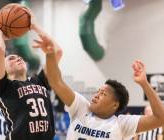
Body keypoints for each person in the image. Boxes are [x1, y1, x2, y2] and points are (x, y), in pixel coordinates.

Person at [34, 35, 164, 140]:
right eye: (98, 91)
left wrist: (144, 84)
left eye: (103, 94)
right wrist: (50, 55)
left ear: (115, 105)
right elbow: (56, 81)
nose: (96, 95)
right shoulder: (80, 107)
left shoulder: (122, 124)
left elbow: (160, 118)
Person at [0, 9, 62, 140]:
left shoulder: (39, 80)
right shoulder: (4, 87)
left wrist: (34, 26)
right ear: (4, 69)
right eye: (11, 58)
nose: (18, 58)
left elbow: (57, 51)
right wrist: (0, 32)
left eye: (20, 58)